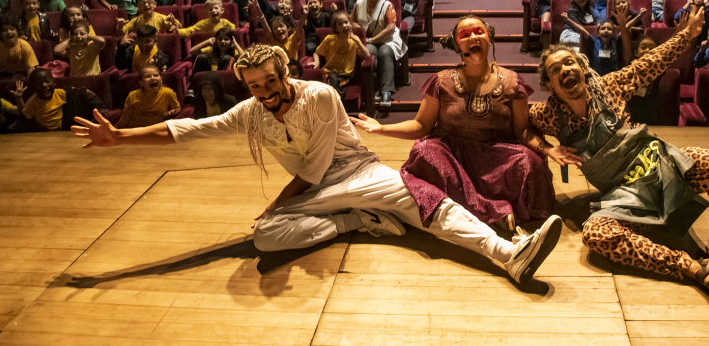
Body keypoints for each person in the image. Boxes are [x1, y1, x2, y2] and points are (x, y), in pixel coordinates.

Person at [72, 45, 564, 286]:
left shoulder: (321, 97)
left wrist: (276, 204)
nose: (262, 94)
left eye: (268, 83)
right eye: (253, 87)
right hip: (327, 195)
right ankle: (359, 221)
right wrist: (120, 138)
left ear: (283, 73)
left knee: (426, 202)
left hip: (357, 175)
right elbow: (187, 130)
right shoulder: (250, 112)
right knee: (265, 239)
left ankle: (507, 254)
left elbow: (313, 171)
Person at [529, 6, 709, 309]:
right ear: (550, 85)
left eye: (569, 63)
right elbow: (519, 123)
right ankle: (692, 267)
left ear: (582, 67)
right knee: (596, 235)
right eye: (555, 70)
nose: (564, 70)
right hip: (623, 193)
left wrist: (687, 34)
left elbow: (650, 64)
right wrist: (547, 148)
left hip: (661, 162)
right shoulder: (548, 114)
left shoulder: (609, 85)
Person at [351, 16, 557, 232]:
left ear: (490, 37)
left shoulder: (513, 82)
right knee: (424, 151)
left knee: (530, 162)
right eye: (465, 35)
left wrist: (549, 149)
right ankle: (492, 212)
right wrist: (381, 128)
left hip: (496, 157)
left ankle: (469, 212)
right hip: (451, 155)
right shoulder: (442, 81)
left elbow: (522, 131)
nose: (473, 37)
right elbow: (421, 126)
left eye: (479, 32)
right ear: (457, 45)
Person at [352, 0, 408, 108]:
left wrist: (371, 39)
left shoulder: (387, 5)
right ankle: (374, 87)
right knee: (368, 54)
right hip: (367, 41)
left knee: (384, 53)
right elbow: (352, 20)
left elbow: (390, 28)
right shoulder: (359, 3)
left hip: (387, 40)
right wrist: (361, 32)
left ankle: (385, 91)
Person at [12, 68, 105, 132]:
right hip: (43, 135)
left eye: (47, 81)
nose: (44, 86)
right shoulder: (32, 103)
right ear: (33, 88)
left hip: (64, 131)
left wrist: (99, 108)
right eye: (39, 83)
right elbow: (23, 120)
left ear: (54, 83)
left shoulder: (60, 93)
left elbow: (83, 93)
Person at [118, 64, 181, 128]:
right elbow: (125, 119)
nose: (153, 78)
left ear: (161, 79)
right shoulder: (132, 96)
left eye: (156, 75)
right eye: (148, 76)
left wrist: (172, 112)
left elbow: (177, 108)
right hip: (136, 130)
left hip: (157, 130)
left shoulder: (168, 93)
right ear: (141, 82)